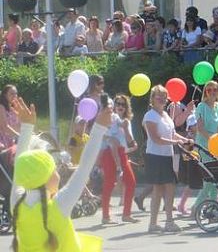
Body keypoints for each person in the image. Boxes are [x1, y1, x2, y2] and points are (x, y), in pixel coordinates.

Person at [11, 97, 111, 251]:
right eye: (54, 170)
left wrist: (26, 127)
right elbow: (84, 168)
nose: (58, 174)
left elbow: (20, 166)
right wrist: (98, 129)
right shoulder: (59, 205)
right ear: (47, 178)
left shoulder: (17, 205)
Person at [143, 85, 192, 233]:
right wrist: (175, 142)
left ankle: (154, 224)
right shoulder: (150, 116)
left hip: (166, 155)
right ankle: (167, 222)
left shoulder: (165, 115)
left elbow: (172, 134)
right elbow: (156, 139)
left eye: (164, 96)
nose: (162, 99)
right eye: (158, 96)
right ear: (152, 99)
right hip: (155, 156)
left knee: (161, 189)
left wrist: (185, 140)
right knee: (166, 188)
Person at [101, 94, 139, 224]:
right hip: (108, 153)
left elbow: (129, 140)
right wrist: (110, 139)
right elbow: (102, 136)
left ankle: (126, 214)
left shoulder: (125, 121)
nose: (120, 106)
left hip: (122, 153)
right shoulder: (108, 118)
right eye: (118, 104)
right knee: (109, 183)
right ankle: (105, 216)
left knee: (131, 182)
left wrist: (126, 128)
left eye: (123, 104)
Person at [193, 81, 218, 211]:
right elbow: (200, 128)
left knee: (215, 179)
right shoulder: (201, 106)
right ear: (205, 92)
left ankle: (212, 208)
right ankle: (196, 208)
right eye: (209, 90)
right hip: (203, 145)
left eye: (215, 90)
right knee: (209, 179)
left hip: (215, 145)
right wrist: (212, 139)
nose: (212, 92)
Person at [0, 85, 21, 149]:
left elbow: (19, 126)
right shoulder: (1, 107)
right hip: (2, 140)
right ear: (5, 95)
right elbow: (4, 127)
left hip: (11, 139)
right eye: (12, 94)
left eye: (16, 94)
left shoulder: (13, 109)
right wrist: (18, 136)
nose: (14, 96)